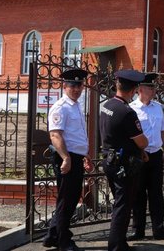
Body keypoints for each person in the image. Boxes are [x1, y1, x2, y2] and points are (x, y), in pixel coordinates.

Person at [43, 68, 93, 251]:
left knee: (69, 199)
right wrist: (66, 158)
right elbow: (55, 135)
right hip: (66, 157)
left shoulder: (75, 105)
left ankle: (52, 235)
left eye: (79, 85)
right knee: (67, 200)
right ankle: (64, 241)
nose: (77, 89)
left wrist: (84, 153)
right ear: (64, 86)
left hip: (75, 156)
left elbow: (75, 135)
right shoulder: (61, 107)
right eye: (73, 85)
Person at [99, 69, 149, 251]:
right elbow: (141, 140)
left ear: (117, 85)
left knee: (120, 202)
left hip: (109, 159)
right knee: (123, 205)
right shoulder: (127, 112)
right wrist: (143, 146)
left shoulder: (106, 105)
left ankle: (120, 242)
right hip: (123, 164)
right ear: (134, 89)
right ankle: (116, 245)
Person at [129, 73, 164, 241]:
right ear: (140, 89)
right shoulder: (131, 108)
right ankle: (138, 230)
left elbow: (163, 131)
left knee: (156, 194)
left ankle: (158, 229)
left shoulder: (158, 107)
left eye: (154, 87)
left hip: (155, 155)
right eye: (150, 87)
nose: (153, 90)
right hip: (139, 155)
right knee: (138, 194)